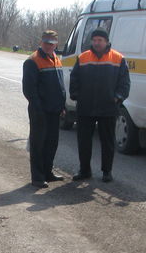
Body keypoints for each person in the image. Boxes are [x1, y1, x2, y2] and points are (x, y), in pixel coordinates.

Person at [68, 28, 130, 183]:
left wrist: (117, 98)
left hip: (108, 108)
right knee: (84, 141)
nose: (97, 43)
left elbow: (125, 83)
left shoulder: (118, 58)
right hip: (85, 108)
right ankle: (84, 170)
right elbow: (74, 78)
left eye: (100, 40)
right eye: (94, 40)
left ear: (107, 42)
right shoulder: (83, 57)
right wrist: (76, 95)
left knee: (107, 142)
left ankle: (106, 171)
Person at [22, 30, 67, 188]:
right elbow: (29, 90)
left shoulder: (56, 59)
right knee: (38, 144)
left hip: (54, 110)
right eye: (46, 43)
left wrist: (62, 106)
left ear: (56, 44)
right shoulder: (32, 61)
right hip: (39, 111)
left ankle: (48, 172)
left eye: (52, 43)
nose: (49, 46)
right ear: (41, 42)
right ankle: (38, 177)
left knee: (51, 143)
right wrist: (38, 109)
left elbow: (60, 86)